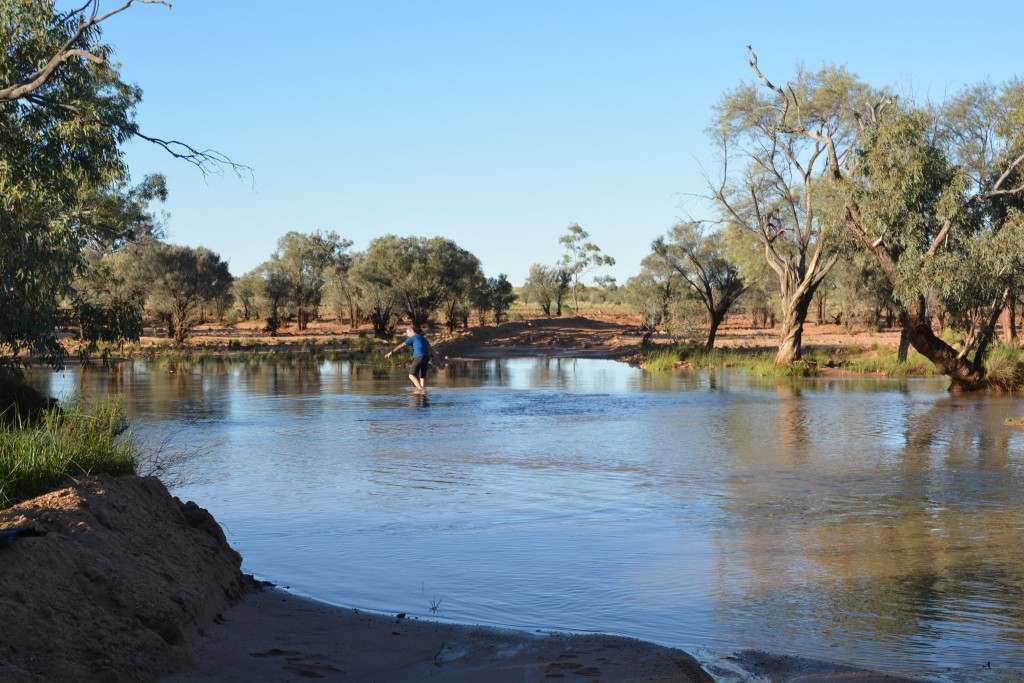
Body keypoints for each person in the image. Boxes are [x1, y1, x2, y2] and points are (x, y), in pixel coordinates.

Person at [385, 326, 431, 391]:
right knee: (422, 377)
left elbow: (402, 345)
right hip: (426, 357)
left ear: (411, 331)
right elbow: (430, 348)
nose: (408, 335)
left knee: (411, 375)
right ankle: (423, 395)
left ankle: (420, 390)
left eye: (408, 333)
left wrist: (391, 352)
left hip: (419, 357)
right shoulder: (423, 337)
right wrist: (437, 359)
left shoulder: (412, 338)